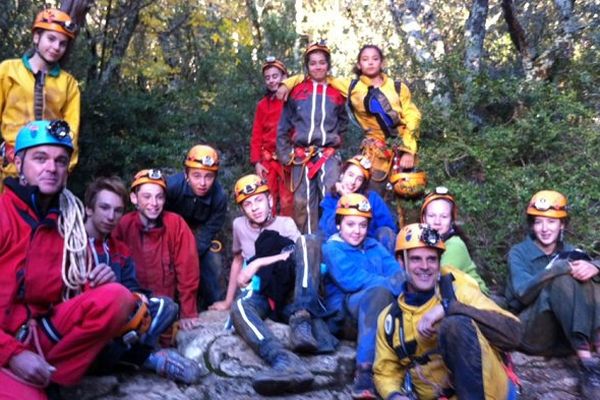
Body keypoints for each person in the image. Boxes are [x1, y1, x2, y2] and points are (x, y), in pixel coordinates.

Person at [0, 120, 136, 399]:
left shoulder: (65, 224)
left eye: (60, 161)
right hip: (5, 341)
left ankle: (52, 379)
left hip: (38, 332)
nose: (52, 168)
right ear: (18, 161)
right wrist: (12, 355)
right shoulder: (4, 217)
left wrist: (96, 284)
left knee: (118, 297)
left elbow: (75, 289)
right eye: (40, 158)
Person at [217, 174, 336, 395]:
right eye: (247, 203)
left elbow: (299, 256)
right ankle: (281, 359)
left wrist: (258, 262)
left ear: (270, 200)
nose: (254, 207)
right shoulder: (239, 226)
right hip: (263, 290)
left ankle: (302, 317)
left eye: (259, 200)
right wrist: (227, 299)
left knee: (308, 241)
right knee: (240, 308)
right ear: (242, 209)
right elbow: (237, 260)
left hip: (290, 288)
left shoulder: (286, 223)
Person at [374, 223, 522, 400]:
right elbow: (385, 372)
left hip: (493, 392)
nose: (425, 266)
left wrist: (449, 308)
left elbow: (514, 334)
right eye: (415, 259)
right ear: (401, 261)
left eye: (432, 259)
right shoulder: (390, 319)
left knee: (455, 325)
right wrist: (394, 395)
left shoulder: (460, 291)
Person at [83, 176, 203, 384]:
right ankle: (145, 358)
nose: (111, 216)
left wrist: (137, 296)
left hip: (121, 321)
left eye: (117, 211)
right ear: (89, 209)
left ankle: (129, 354)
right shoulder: (72, 245)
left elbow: (133, 286)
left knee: (165, 306)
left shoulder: (119, 248)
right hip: (87, 325)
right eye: (104, 208)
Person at [277, 45, 422, 202]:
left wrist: (408, 150)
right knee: (371, 195)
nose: (370, 63)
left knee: (409, 195)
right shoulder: (352, 87)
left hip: (403, 147)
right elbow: (320, 76)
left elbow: (413, 117)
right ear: (359, 65)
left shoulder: (399, 87)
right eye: (365, 59)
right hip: (375, 151)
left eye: (375, 59)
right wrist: (287, 83)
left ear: (382, 62)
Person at [505, 190, 600, 399]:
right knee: (563, 279)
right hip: (532, 331)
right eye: (539, 222)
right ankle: (589, 366)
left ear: (562, 225)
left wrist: (594, 267)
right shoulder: (519, 253)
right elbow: (522, 293)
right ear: (532, 225)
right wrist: (557, 269)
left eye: (551, 222)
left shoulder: (572, 250)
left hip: (565, 337)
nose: (545, 229)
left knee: (590, 277)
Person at [321, 193, 405, 399]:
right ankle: (364, 374)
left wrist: (401, 283)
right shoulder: (331, 249)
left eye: (362, 225)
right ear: (339, 224)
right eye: (350, 224)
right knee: (379, 293)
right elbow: (352, 280)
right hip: (346, 314)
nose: (357, 231)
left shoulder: (374, 246)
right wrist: (393, 284)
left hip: (378, 309)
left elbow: (397, 272)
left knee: (391, 296)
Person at [0, 8, 81, 191]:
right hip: (10, 166)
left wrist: (65, 168)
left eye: (62, 43)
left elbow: (72, 132)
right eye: (50, 39)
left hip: (48, 170)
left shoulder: (68, 84)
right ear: (37, 37)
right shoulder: (8, 71)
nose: (55, 47)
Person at [114, 169, 201, 332]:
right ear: (134, 198)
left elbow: (188, 270)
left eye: (159, 197)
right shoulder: (123, 226)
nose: (154, 203)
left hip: (167, 308)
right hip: (132, 306)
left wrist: (188, 312)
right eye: (146, 196)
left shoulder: (175, 224)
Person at [276, 41, 348, 234]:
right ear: (307, 66)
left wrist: (336, 142)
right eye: (313, 63)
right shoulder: (297, 91)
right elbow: (283, 125)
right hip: (302, 156)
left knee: (331, 198)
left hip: (328, 155)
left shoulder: (337, 93)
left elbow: (344, 122)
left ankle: (331, 244)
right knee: (302, 203)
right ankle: (308, 247)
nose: (318, 67)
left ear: (328, 65)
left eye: (322, 62)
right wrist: (285, 155)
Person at [166, 144, 227, 310]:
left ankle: (214, 304)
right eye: (196, 176)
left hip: (199, 235)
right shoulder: (171, 187)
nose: (202, 183)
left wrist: (190, 252)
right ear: (186, 174)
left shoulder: (219, 197)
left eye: (209, 177)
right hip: (170, 234)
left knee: (212, 262)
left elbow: (209, 230)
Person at [319, 154, 397, 253]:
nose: (353, 182)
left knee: (386, 232)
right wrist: (345, 199)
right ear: (342, 175)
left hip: (368, 249)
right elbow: (327, 230)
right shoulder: (331, 198)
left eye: (359, 179)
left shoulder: (372, 198)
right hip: (340, 250)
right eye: (350, 175)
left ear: (363, 183)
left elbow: (389, 229)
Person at [420, 186, 488, 293]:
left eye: (444, 216)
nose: (437, 222)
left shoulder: (455, 244)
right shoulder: (420, 242)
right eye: (432, 216)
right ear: (424, 218)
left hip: (475, 299)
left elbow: (435, 280)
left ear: (451, 220)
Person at [250, 57, 293, 217]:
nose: (271, 81)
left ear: (284, 77)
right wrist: (256, 162)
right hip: (267, 160)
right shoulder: (262, 105)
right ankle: (268, 232)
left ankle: (289, 236)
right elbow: (256, 134)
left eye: (275, 76)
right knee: (268, 198)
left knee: (289, 200)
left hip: (289, 158)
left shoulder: (292, 100)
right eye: (267, 78)